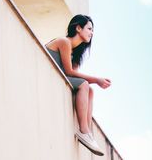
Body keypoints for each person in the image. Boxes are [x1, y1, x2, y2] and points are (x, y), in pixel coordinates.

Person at [45, 14, 111, 156]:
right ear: (78, 28)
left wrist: (94, 82)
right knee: (85, 85)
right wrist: (97, 79)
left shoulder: (74, 53)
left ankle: (87, 132)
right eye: (89, 28)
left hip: (60, 78)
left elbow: (73, 74)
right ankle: (84, 130)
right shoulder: (64, 42)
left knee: (89, 90)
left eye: (92, 30)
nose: (91, 33)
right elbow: (69, 72)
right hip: (46, 74)